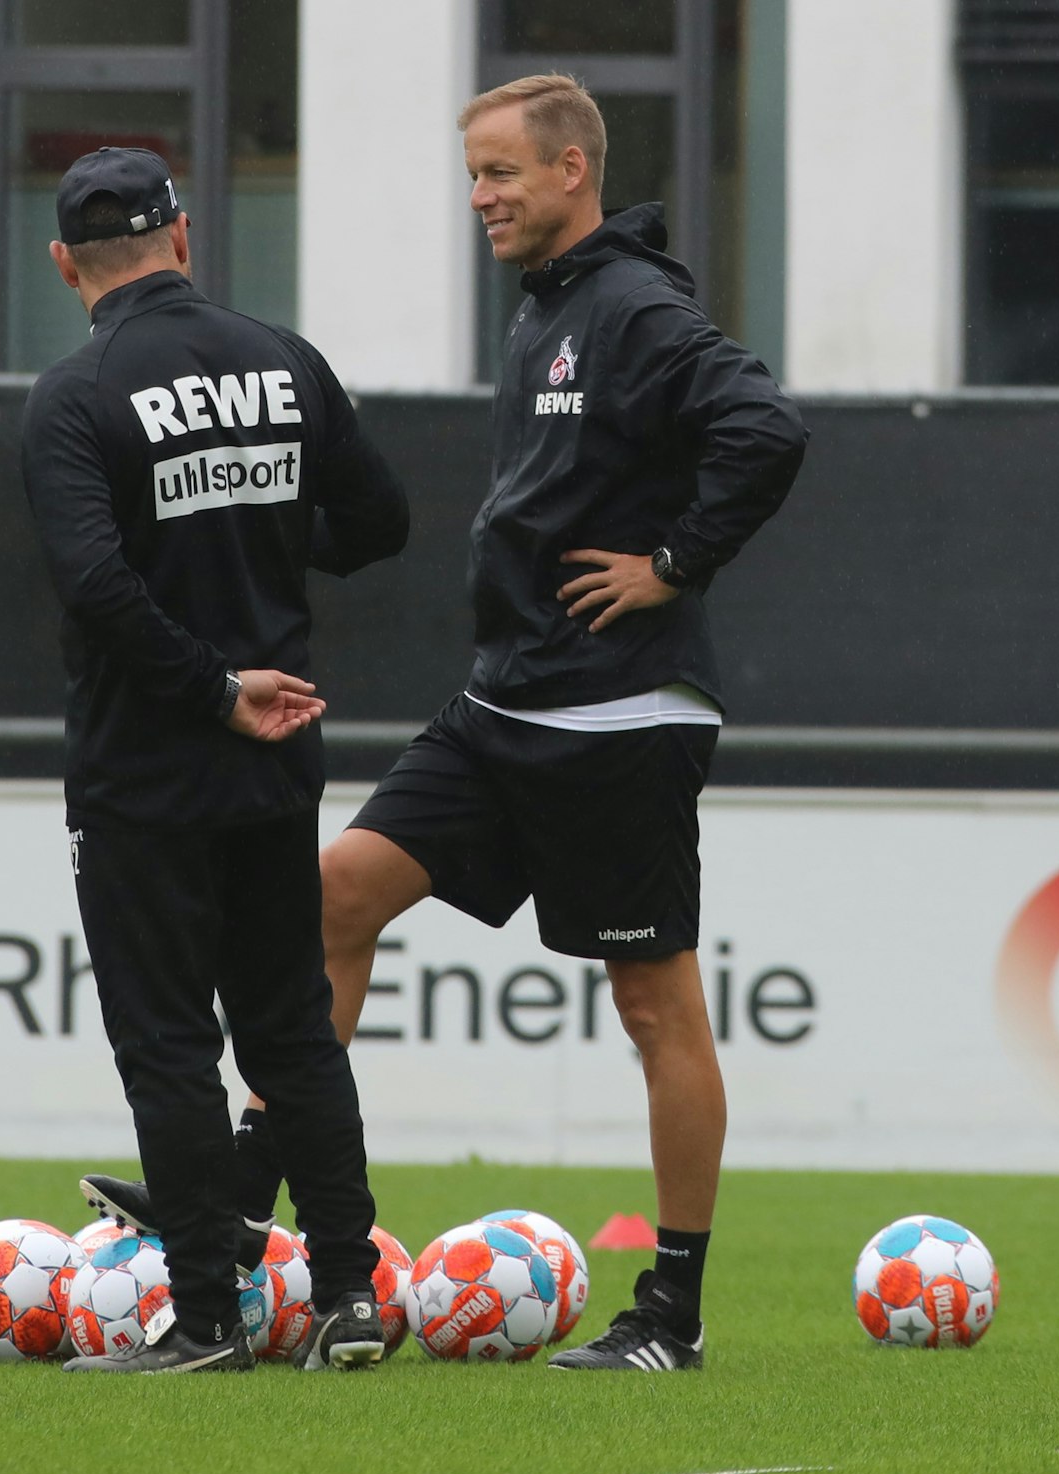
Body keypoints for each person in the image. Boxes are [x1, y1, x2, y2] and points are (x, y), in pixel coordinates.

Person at [235, 75, 808, 1371]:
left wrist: (673, 559)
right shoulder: (549, 308)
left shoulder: (634, 306)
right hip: (506, 702)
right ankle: (240, 1210)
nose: (482, 197)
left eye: (502, 173)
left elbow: (766, 429)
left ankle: (671, 1314)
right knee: (332, 900)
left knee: (654, 1004)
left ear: (571, 173)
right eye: (473, 175)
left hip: (616, 713)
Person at [23, 147, 411, 1373]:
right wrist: (260, 535)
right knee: (290, 1030)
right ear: (181, 240)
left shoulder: (75, 394)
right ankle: (348, 1297)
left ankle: (202, 1321)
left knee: (168, 1046)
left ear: (63, 265)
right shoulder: (283, 361)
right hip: (275, 760)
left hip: (149, 769)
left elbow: (93, 584)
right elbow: (380, 522)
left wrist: (207, 688)